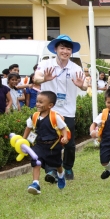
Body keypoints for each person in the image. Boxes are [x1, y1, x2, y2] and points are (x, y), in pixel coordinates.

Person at [33, 35, 87, 182]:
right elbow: (36, 78)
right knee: (47, 140)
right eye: (62, 48)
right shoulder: (46, 64)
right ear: (56, 49)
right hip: (48, 110)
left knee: (68, 141)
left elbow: (85, 85)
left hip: (68, 110)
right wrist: (45, 79)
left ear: (71, 51)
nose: (65, 51)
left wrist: (80, 85)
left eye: (68, 49)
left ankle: (68, 167)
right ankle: (51, 170)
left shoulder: (75, 67)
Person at [23, 91, 70, 194]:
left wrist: (65, 137)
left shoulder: (55, 117)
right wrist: (23, 139)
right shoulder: (34, 116)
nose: (38, 104)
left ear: (50, 105)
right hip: (39, 144)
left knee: (57, 163)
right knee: (36, 161)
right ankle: (35, 183)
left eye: (41, 102)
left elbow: (63, 128)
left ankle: (61, 175)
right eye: (37, 101)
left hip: (53, 146)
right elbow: (28, 128)